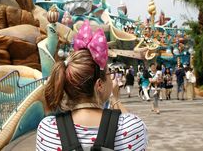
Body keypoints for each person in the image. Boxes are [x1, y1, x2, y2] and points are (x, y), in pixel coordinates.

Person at [36, 20, 148, 150]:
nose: (111, 78)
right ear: (99, 85)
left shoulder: (48, 129)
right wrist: (115, 100)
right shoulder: (130, 127)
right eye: (108, 73)